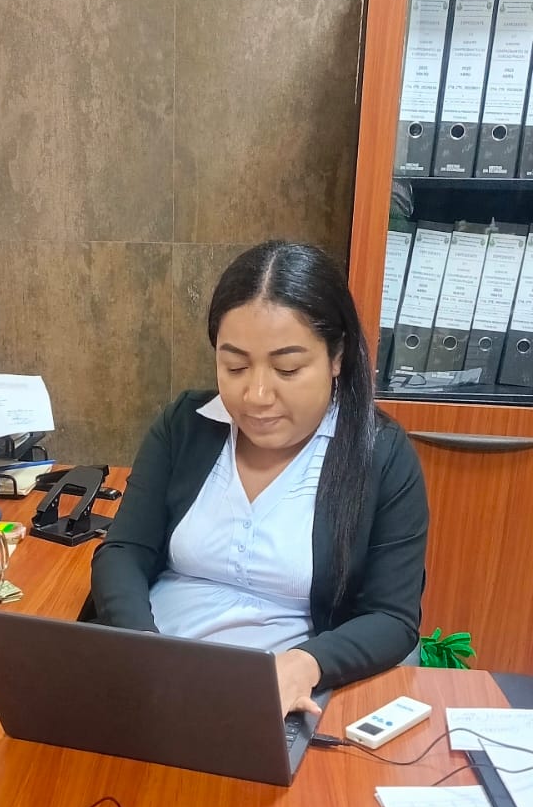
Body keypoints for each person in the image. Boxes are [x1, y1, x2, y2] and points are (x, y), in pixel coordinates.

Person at [90, 241, 429, 716]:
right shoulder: (185, 426)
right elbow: (124, 550)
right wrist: (144, 647)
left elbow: (392, 617)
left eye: (287, 368)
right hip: (150, 679)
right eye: (235, 366)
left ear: (336, 357)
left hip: (270, 698)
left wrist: (308, 663)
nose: (256, 395)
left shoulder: (380, 455)